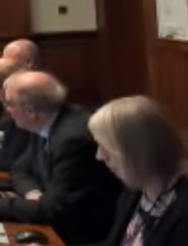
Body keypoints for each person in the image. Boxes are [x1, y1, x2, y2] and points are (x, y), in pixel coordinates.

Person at [0, 71, 122, 245]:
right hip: (50, 220)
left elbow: (55, 210)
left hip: (77, 235)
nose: (6, 110)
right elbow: (19, 168)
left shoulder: (72, 139)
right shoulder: (46, 119)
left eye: (9, 104)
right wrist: (32, 193)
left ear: (30, 111)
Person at [76, 96, 188, 246]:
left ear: (137, 151)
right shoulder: (139, 184)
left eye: (105, 147)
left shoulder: (182, 210)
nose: (99, 156)